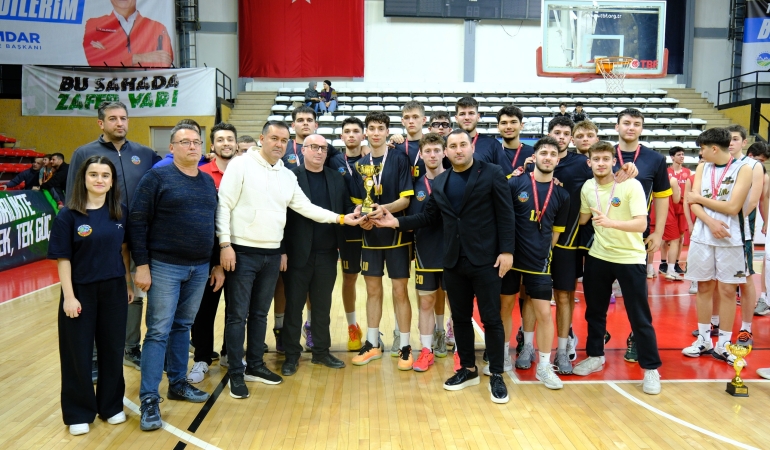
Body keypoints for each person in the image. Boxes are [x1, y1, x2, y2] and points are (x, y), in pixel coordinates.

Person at [216, 120, 362, 400]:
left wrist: (342, 218)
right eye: (274, 138)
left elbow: (305, 207)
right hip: (242, 251)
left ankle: (256, 365)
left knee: (260, 314)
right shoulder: (240, 165)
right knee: (237, 315)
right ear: (262, 139)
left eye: (283, 140)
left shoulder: (286, 175)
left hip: (270, 253)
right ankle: (236, 371)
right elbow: (224, 204)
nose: (279, 144)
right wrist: (225, 243)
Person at [370, 129, 515, 404]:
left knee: (491, 319)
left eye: (463, 144)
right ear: (446, 152)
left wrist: (507, 251)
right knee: (459, 319)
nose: (458, 150)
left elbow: (506, 214)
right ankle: (468, 369)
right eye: (453, 146)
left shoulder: (493, 172)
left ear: (472, 147)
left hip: (486, 260)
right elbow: (427, 217)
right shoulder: (442, 181)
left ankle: (496, 373)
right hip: (453, 260)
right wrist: (396, 222)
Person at [129, 123, 219, 431]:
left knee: (183, 327)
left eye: (196, 142)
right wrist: (141, 265)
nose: (192, 146)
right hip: (164, 266)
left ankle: (178, 383)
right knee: (158, 331)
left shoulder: (207, 182)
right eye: (185, 142)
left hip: (199, 267)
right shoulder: (156, 178)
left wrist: (215, 264)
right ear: (172, 147)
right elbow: (138, 222)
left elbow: (213, 226)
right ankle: (150, 399)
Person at [66, 101, 160, 378]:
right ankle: (95, 355)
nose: (120, 123)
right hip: (100, 239)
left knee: (136, 293)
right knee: (97, 294)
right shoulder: (84, 153)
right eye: (113, 119)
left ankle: (130, 348)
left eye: (123, 118)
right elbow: (73, 198)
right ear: (101, 123)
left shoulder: (144, 153)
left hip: (139, 237)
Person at [48, 156, 133, 436]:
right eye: (93, 174)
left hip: (114, 290)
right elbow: (63, 259)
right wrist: (69, 297)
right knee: (78, 354)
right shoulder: (68, 215)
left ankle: (111, 406)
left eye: (105, 175)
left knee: (111, 350)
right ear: (83, 179)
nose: (99, 179)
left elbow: (123, 251)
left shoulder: (119, 211)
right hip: (80, 290)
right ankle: (78, 412)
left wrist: (128, 283)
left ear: (112, 181)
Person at [573, 141, 662, 396]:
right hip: (598, 256)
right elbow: (582, 218)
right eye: (595, 159)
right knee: (595, 312)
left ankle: (651, 368)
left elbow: (641, 225)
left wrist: (611, 223)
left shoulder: (630, 184)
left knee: (639, 316)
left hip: (630, 257)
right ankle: (595, 355)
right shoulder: (588, 187)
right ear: (588, 163)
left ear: (614, 161)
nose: (600, 163)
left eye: (605, 159)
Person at [281, 134, 356, 375]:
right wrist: (282, 251)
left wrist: (358, 213)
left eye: (323, 148)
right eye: (314, 147)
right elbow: (279, 217)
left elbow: (344, 208)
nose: (319, 152)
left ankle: (321, 352)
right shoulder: (289, 176)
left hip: (327, 253)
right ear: (303, 150)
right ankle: (291, 355)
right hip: (296, 254)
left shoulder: (336, 178)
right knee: (294, 307)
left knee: (323, 306)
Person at [503, 136, 570, 390]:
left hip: (539, 262)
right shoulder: (515, 183)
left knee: (544, 313)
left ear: (557, 159)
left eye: (553, 154)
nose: (548, 157)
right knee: (504, 309)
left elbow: (554, 235)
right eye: (544, 153)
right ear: (535, 156)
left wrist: (539, 250)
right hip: (510, 259)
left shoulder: (562, 194)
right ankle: (501, 357)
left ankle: (543, 366)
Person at [348, 112, 414, 369]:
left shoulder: (399, 158)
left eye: (380, 128)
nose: (376, 132)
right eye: (371, 128)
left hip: (396, 235)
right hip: (370, 234)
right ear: (366, 132)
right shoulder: (360, 164)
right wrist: (362, 216)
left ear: (387, 131)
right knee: (373, 290)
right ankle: (373, 343)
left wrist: (382, 209)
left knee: (400, 291)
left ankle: (406, 345)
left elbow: (405, 200)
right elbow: (358, 205)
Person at [682, 127, 752, 367]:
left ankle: (723, 343)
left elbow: (733, 208)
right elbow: (691, 204)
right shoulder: (703, 167)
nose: (700, 154)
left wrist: (699, 198)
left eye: (702, 149)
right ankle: (703, 339)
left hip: (731, 237)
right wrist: (711, 222)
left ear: (713, 148)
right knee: (704, 286)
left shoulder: (744, 169)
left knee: (728, 291)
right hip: (704, 233)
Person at [612, 108, 671, 364]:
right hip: (601, 233)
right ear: (617, 127)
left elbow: (662, 196)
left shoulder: (654, 159)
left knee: (636, 295)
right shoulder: (603, 154)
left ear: (642, 128)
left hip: (637, 236)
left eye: (636, 124)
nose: (631, 128)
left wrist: (658, 232)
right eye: (626, 123)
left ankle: (637, 338)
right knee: (597, 292)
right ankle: (596, 335)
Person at [187, 123, 238, 384]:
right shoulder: (202, 173)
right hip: (208, 254)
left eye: (230, 138)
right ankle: (202, 359)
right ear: (213, 146)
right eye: (220, 139)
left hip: (241, 251)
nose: (226, 143)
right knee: (204, 310)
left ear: (237, 144)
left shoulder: (246, 173)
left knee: (237, 308)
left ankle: (231, 353)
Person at [407, 133, 447, 372]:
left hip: (454, 251)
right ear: (420, 154)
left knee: (457, 301)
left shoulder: (455, 179)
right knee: (426, 301)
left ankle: (458, 350)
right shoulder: (415, 185)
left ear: (444, 153)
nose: (432, 155)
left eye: (436, 150)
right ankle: (425, 350)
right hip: (425, 251)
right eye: (428, 151)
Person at [328, 117, 367, 351]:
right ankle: (352, 326)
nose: (351, 135)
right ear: (341, 136)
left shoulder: (374, 159)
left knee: (375, 283)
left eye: (355, 131)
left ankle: (375, 331)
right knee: (349, 278)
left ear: (363, 135)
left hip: (374, 223)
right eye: (347, 131)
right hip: (347, 225)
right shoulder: (333, 160)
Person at [83, 0, 173, 67]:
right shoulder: (95, 25)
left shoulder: (157, 27)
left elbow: (165, 62)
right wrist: (141, 58)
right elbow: (95, 60)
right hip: (108, 88)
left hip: (144, 88)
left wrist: (111, 56)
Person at [660, 146, 690, 281]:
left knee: (680, 237)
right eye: (679, 154)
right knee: (665, 237)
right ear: (672, 157)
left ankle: (676, 263)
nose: (682, 156)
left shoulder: (688, 172)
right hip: (669, 208)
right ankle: (663, 262)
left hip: (682, 208)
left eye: (683, 154)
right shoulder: (666, 172)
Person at [454, 96, 504, 165]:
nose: (467, 117)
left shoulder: (492, 145)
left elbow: (505, 174)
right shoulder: (446, 144)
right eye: (462, 114)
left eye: (471, 113)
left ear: (478, 117)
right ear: (456, 118)